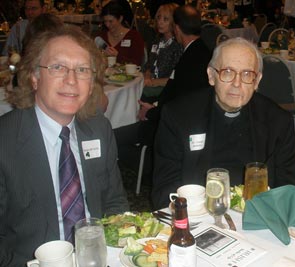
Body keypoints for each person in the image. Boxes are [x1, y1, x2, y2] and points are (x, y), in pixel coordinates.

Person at [0, 25, 129, 266]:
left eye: (82, 70)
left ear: (91, 84)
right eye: (58, 67)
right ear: (35, 77)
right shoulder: (4, 141)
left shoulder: (98, 128)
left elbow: (114, 202)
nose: (71, 80)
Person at [151, 37, 295, 209]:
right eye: (227, 72)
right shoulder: (178, 116)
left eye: (246, 74)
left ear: (257, 81)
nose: (237, 84)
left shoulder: (278, 121)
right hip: (198, 217)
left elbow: (289, 190)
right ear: (211, 76)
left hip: (259, 216)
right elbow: (164, 191)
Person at [135, 4, 211, 146]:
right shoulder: (201, 50)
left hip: (181, 129)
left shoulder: (190, 59)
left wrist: (151, 112)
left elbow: (181, 103)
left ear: (176, 28)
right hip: (191, 118)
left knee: (130, 132)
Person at [142, 3, 183, 98]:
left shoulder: (178, 45)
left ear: (174, 23)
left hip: (167, 89)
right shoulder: (157, 40)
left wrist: (153, 82)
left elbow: (177, 77)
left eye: (165, 19)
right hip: (151, 83)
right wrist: (147, 76)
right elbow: (148, 65)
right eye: (159, 17)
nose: (160, 22)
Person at [97, 1, 145, 65]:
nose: (107, 25)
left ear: (120, 19)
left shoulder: (134, 36)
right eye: (105, 21)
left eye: (111, 21)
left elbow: (137, 63)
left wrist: (117, 56)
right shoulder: (102, 36)